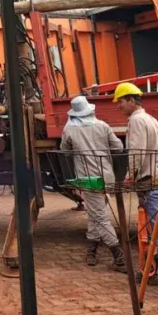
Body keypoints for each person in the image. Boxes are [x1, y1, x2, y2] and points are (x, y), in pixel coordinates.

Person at [60, 95, 125, 270]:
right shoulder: (103, 126)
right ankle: (92, 250)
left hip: (89, 179)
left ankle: (118, 256)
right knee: (96, 213)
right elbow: (118, 147)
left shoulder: (69, 129)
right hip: (107, 176)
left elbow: (64, 151)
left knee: (100, 217)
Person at [115, 81, 158, 284]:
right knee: (155, 226)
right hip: (157, 175)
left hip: (147, 180)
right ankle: (151, 273)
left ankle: (151, 274)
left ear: (132, 100)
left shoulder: (136, 121)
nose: (119, 106)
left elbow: (137, 152)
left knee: (155, 229)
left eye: (121, 102)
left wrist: (130, 177)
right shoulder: (151, 119)